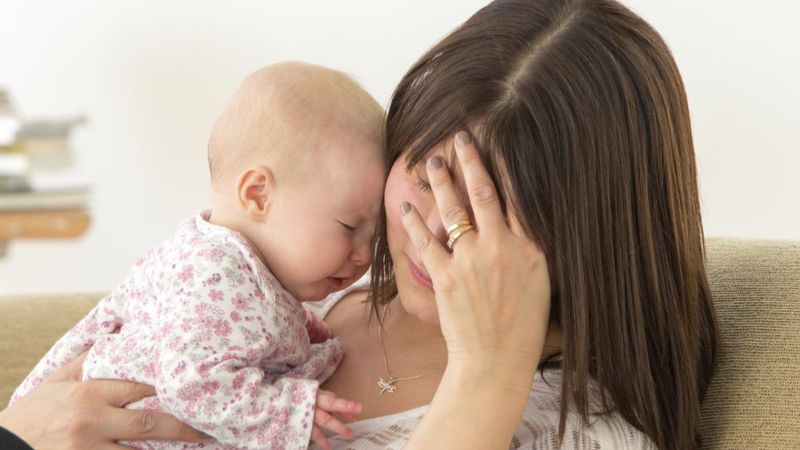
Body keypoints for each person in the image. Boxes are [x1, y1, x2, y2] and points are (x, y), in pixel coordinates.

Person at [0, 0, 719, 449]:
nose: (428, 227)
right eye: (430, 169)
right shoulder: (300, 272)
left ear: (584, 237)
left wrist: (486, 376)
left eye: (487, 201)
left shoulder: (587, 431)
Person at [7, 62, 385, 450]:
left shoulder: (232, 267)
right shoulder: (216, 273)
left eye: (375, 235)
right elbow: (190, 383)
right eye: (349, 225)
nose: (363, 254)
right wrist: (284, 410)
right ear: (258, 195)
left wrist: (301, 325)